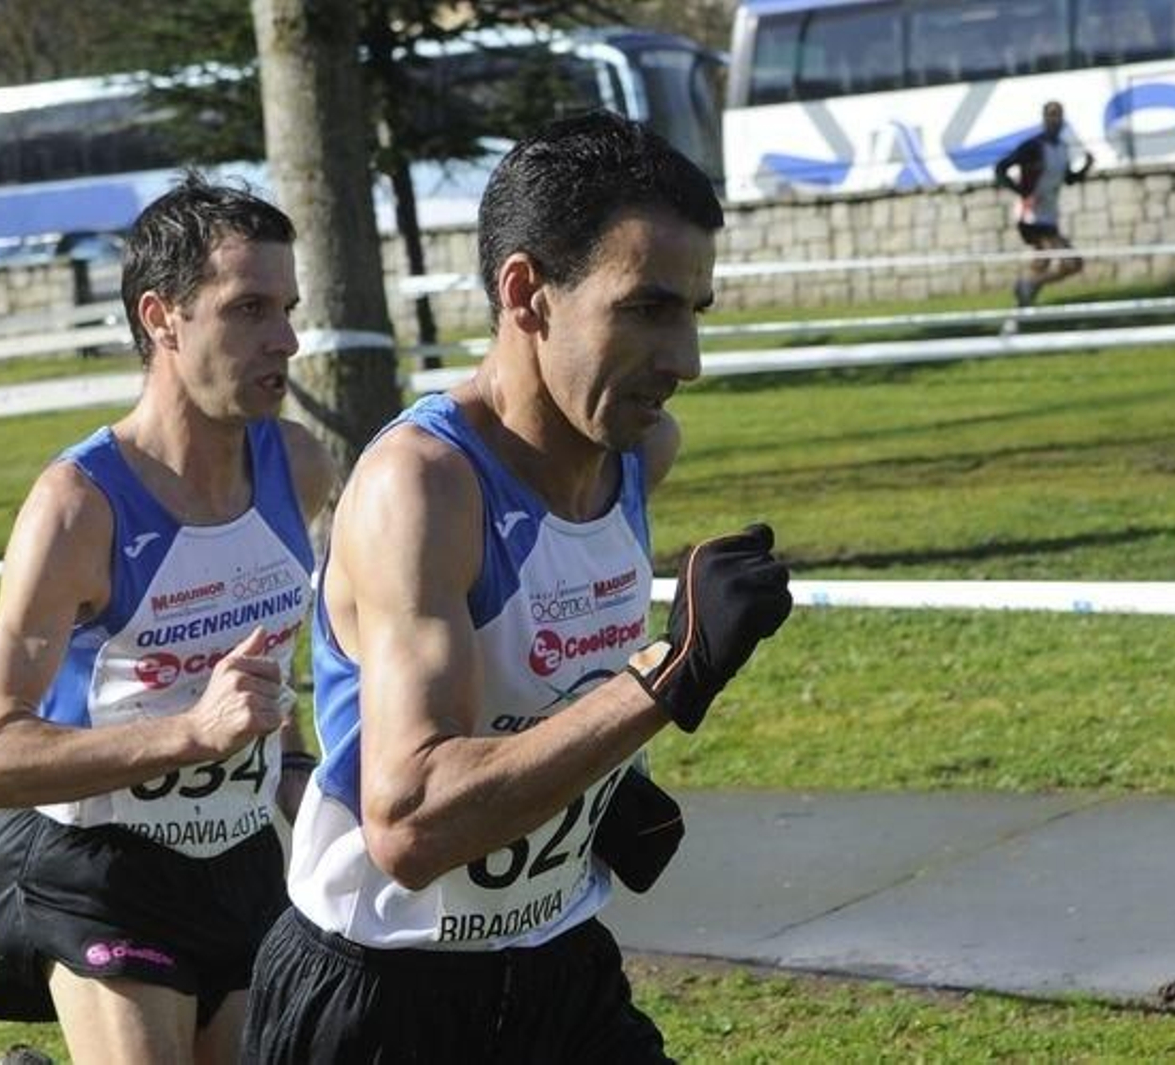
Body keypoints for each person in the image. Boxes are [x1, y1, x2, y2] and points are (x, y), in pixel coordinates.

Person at [239, 112, 793, 1063]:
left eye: (694, 313)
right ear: (527, 292)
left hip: (556, 967)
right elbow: (410, 825)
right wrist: (668, 676)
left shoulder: (637, 451)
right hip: (385, 991)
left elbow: (541, 691)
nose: (685, 361)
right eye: (648, 309)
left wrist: (604, 794)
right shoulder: (422, 487)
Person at [0, 173, 335, 1065]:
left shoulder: (299, 466)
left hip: (241, 863)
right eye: (251, 309)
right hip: (100, 868)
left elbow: (262, 681)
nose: (288, 339)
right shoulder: (80, 507)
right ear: (163, 317)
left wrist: (309, 789)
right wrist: (191, 733)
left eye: (289, 307)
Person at [995, 100, 1095, 309]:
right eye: (1050, 115)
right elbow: (1001, 168)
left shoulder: (1061, 148)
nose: (1054, 120)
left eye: (1058, 115)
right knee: (1071, 262)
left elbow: (1068, 179)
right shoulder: (1032, 146)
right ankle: (1027, 285)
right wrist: (1022, 192)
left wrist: (1086, 165)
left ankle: (1025, 299)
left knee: (1042, 261)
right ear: (1044, 119)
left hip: (1049, 215)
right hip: (1030, 215)